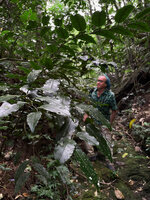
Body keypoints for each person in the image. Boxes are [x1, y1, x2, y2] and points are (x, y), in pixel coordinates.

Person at [83, 74, 118, 169]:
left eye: (101, 81)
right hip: (92, 119)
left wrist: (109, 124)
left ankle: (109, 161)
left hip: (104, 121)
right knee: (86, 134)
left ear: (106, 84)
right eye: (98, 80)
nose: (98, 82)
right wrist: (86, 115)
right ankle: (91, 154)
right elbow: (88, 104)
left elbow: (114, 110)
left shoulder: (110, 95)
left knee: (107, 141)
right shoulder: (92, 92)